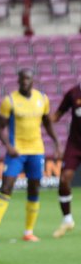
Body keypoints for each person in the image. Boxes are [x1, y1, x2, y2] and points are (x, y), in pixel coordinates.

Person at [0, 69, 60, 243]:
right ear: (18, 81)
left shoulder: (42, 99)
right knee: (6, 187)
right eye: (22, 79)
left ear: (32, 80)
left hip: (36, 151)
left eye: (28, 79)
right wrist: (8, 146)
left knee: (34, 188)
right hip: (16, 152)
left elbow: (48, 124)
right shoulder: (9, 101)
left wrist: (57, 143)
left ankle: (28, 232)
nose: (25, 82)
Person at [50, 80, 81, 238]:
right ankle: (67, 220)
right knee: (64, 179)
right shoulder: (73, 93)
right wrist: (40, 119)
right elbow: (57, 115)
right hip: (75, 145)